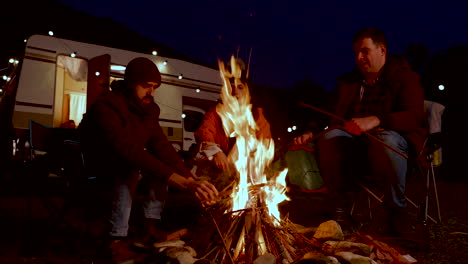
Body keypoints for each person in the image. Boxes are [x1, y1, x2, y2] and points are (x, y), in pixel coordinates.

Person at [79, 57, 218, 263]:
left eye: (155, 87)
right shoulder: (106, 107)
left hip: (125, 161)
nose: (151, 93)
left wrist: (189, 178)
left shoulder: (148, 110)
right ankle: (115, 240)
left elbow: (161, 146)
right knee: (131, 168)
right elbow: (125, 150)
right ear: (130, 83)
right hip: (97, 165)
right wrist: (175, 178)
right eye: (146, 87)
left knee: (156, 169)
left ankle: (148, 229)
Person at [294, 28, 426, 236]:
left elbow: (414, 115)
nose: (359, 58)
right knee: (330, 137)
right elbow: (329, 112)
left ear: (382, 50)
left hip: (397, 155)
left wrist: (376, 120)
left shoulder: (406, 78)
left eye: (365, 51)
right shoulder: (350, 83)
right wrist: (311, 130)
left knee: (385, 137)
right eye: (356, 53)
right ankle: (340, 211)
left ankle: (396, 212)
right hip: (355, 157)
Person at [194, 58, 272, 192]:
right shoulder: (216, 112)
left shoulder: (256, 115)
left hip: (247, 169)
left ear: (247, 90)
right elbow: (205, 131)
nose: (235, 91)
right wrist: (216, 152)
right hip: (218, 169)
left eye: (240, 87)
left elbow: (265, 141)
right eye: (231, 87)